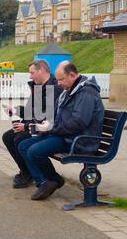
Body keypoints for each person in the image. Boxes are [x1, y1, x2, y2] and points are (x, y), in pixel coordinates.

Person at [18, 61, 105, 201]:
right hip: (66, 135)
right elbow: (61, 117)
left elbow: (78, 123)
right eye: (58, 79)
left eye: (61, 79)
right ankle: (45, 182)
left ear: (72, 75)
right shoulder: (70, 91)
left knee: (34, 151)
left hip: (79, 140)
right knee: (23, 145)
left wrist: (51, 128)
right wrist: (46, 126)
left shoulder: (86, 92)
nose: (59, 83)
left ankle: (54, 180)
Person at [2, 59, 63, 189]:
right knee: (8, 136)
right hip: (35, 125)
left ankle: (32, 175)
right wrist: (16, 110)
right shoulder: (40, 87)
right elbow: (32, 111)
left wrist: (25, 126)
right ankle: (26, 171)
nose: (30, 76)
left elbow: (48, 115)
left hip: (47, 129)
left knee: (20, 138)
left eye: (32, 73)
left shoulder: (54, 88)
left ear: (41, 70)